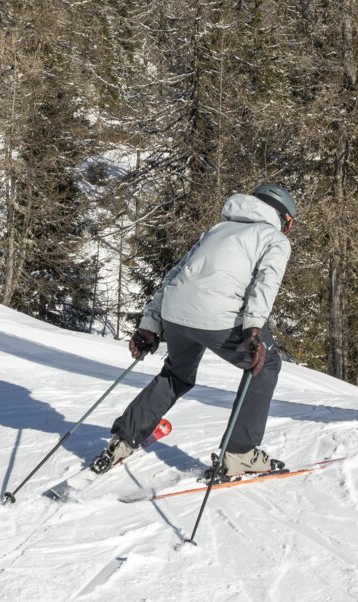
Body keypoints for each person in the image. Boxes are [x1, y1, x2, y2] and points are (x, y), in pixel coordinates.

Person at [94, 183, 296, 478]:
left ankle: (124, 439)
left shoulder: (217, 229)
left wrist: (150, 325)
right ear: (284, 218)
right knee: (266, 365)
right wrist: (254, 328)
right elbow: (267, 283)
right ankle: (240, 453)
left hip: (176, 312)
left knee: (177, 372)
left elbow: (176, 274)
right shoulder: (273, 238)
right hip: (219, 318)